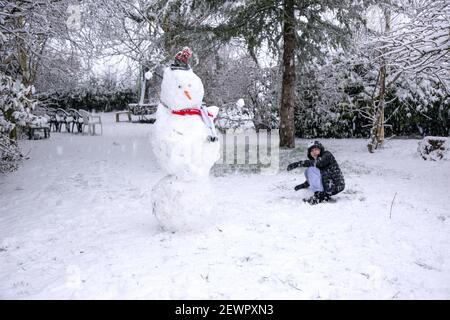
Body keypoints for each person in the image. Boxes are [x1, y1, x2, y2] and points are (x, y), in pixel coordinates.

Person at [287, 141, 345, 205]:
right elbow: (317, 177)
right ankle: (324, 195)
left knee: (311, 169)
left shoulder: (327, 155)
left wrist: (298, 164)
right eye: (312, 151)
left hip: (335, 185)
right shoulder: (316, 163)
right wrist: (304, 185)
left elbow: (319, 163)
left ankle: (319, 196)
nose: (314, 152)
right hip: (329, 184)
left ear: (321, 150)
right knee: (308, 171)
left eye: (316, 149)